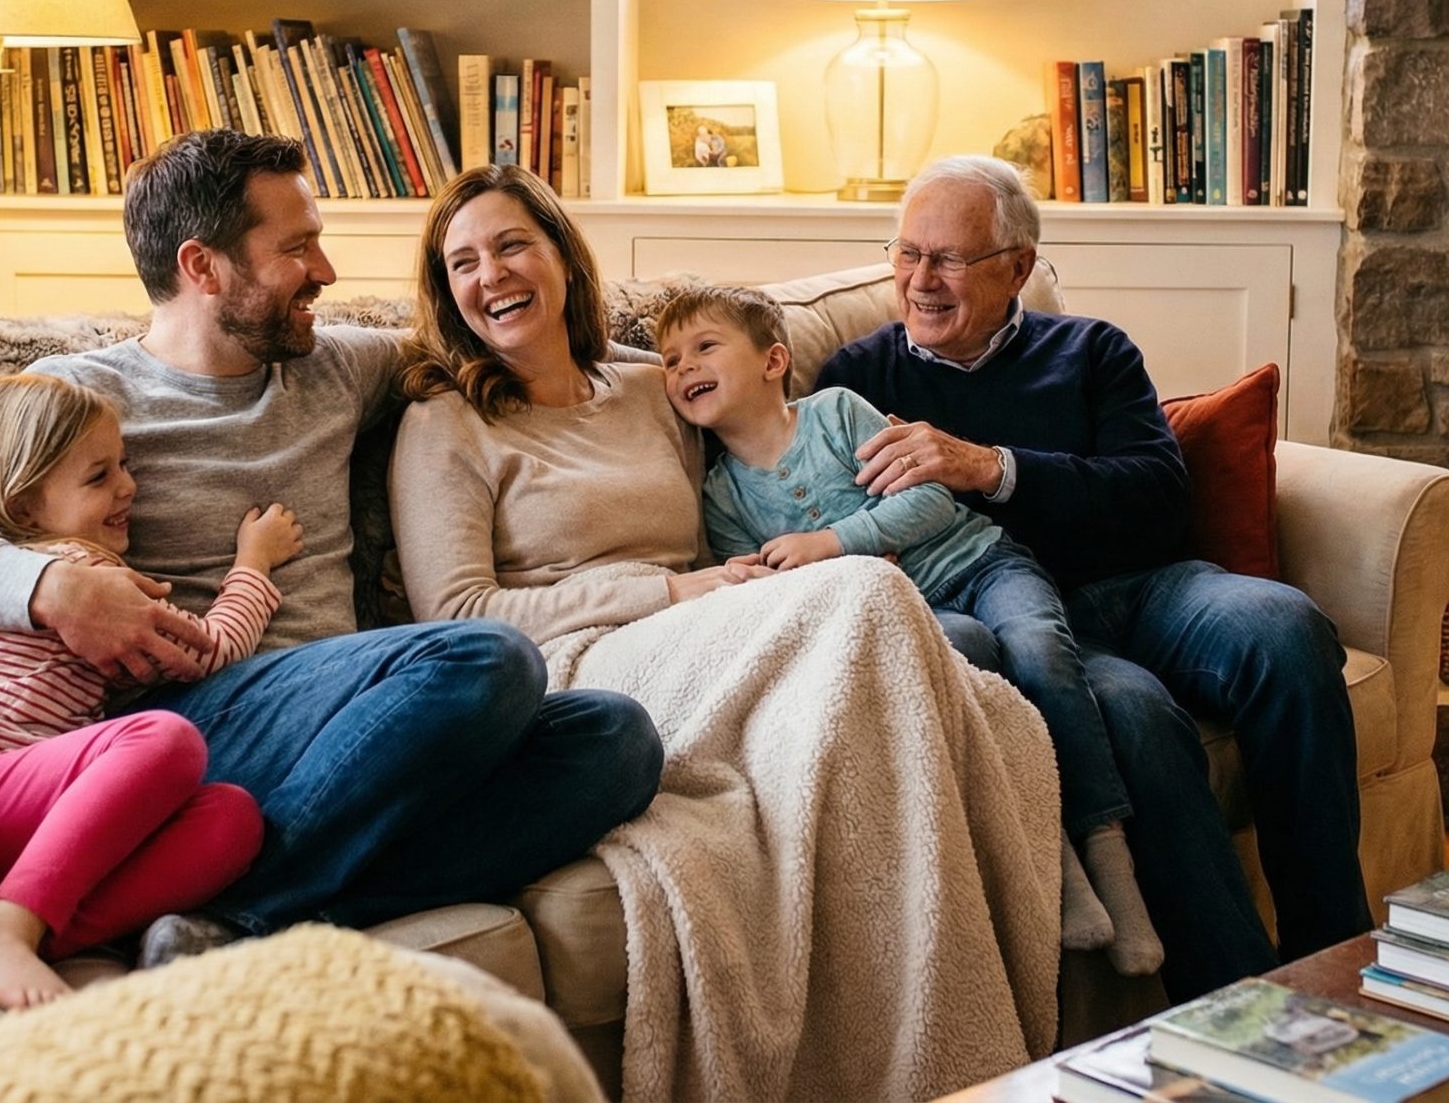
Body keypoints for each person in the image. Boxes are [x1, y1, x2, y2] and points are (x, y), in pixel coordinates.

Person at [0, 129, 663, 963]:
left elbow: (512, 343)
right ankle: (249, 907)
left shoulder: (339, 367)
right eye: (297, 247)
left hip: (363, 726)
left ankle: (238, 918)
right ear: (204, 268)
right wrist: (49, 589)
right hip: (179, 726)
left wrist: (684, 378)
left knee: (614, 740)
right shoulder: (81, 397)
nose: (328, 272)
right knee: (488, 659)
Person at [387, 163, 1063, 1098]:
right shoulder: (444, 423)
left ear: (559, 259)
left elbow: (743, 497)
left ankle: (933, 1043)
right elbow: (459, 618)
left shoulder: (648, 388)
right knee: (864, 595)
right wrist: (668, 595)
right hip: (584, 657)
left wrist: (741, 576)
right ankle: (952, 1062)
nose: (490, 275)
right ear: (447, 291)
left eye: (511, 245)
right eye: (463, 261)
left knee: (970, 696)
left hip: (720, 620)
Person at [813, 154, 1372, 999]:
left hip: (1144, 585)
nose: (920, 281)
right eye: (906, 254)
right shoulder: (855, 383)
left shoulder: (1091, 351)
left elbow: (1156, 497)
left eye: (950, 259)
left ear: (1018, 269)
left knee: (1283, 627)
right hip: (1017, 624)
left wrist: (990, 467)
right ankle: (1247, 1007)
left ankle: (1335, 956)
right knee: (1137, 717)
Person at [651, 282, 1161, 973]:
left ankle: (1115, 859)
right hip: (921, 612)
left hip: (982, 563)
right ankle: (1060, 865)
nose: (684, 368)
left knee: (1040, 648)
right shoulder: (721, 496)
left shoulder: (835, 413)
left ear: (774, 361)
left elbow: (927, 497)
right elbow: (772, 589)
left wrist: (834, 540)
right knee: (967, 665)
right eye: (670, 360)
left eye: (704, 347)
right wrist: (808, 573)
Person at [0, 372, 281, 1009]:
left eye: (123, 465)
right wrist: (253, 566)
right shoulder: (82, 574)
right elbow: (208, 651)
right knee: (167, 739)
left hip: (18, 840)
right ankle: (8, 931)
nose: (129, 485)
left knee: (233, 818)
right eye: (99, 477)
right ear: (23, 508)